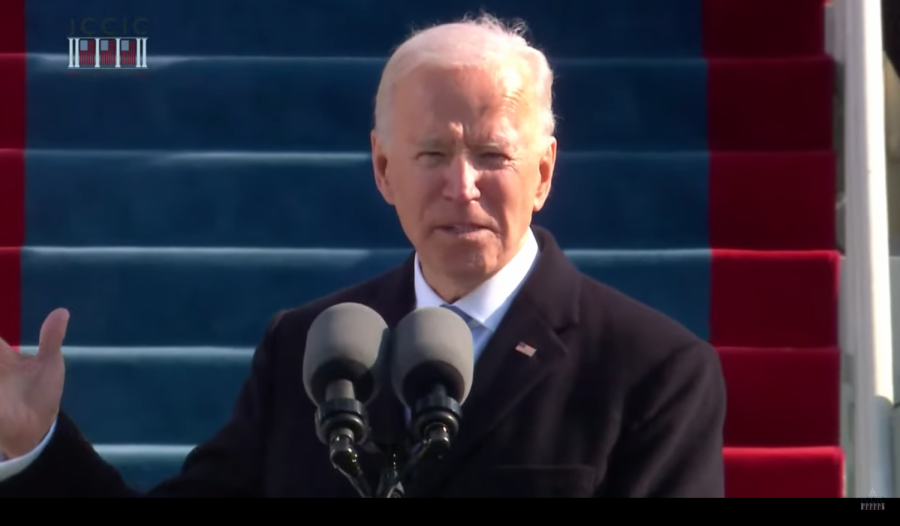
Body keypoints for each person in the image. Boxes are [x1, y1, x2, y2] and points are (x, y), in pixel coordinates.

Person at [0, 14, 726, 498]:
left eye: (493, 155)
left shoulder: (653, 371)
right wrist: (36, 447)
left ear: (543, 173)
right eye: (432, 154)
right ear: (383, 170)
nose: (461, 186)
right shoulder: (309, 350)